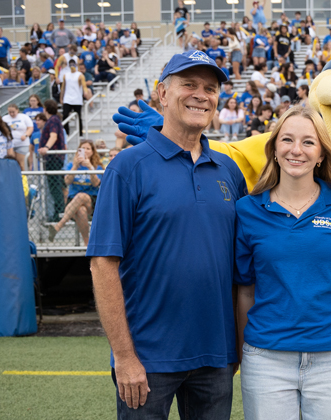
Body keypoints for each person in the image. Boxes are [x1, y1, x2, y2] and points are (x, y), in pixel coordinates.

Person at [87, 51, 244, 420]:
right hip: (147, 358)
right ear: (162, 93)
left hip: (216, 357)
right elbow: (102, 265)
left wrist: (235, 347)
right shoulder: (128, 167)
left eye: (210, 88)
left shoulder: (228, 171)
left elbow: (240, 269)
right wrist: (124, 357)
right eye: (188, 84)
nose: (201, 94)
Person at [235, 106, 331, 420]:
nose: (296, 150)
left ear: (321, 154)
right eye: (287, 140)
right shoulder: (247, 210)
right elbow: (245, 290)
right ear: (274, 149)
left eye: (308, 142)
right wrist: (242, 352)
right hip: (266, 359)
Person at [48, 140, 103, 244]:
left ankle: (58, 226)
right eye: (83, 149)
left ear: (92, 152)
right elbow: (67, 181)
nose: (85, 151)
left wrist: (90, 167)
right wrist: (75, 166)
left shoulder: (97, 166)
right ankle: (87, 243)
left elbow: (96, 183)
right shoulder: (71, 166)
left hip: (92, 200)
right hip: (73, 201)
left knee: (81, 196)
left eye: (88, 149)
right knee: (81, 210)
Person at [2, 103, 34, 171]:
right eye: (10, 112)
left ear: (17, 110)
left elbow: (30, 128)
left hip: (22, 143)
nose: (11, 114)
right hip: (10, 144)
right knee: (12, 163)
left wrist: (25, 135)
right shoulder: (5, 118)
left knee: (22, 164)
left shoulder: (24, 117)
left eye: (13, 112)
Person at [60, 59, 87, 136]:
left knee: (78, 116)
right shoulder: (66, 75)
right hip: (67, 98)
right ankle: (66, 132)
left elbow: (84, 85)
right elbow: (63, 87)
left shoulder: (80, 75)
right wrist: (61, 98)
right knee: (65, 115)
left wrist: (85, 92)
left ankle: (80, 133)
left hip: (77, 99)